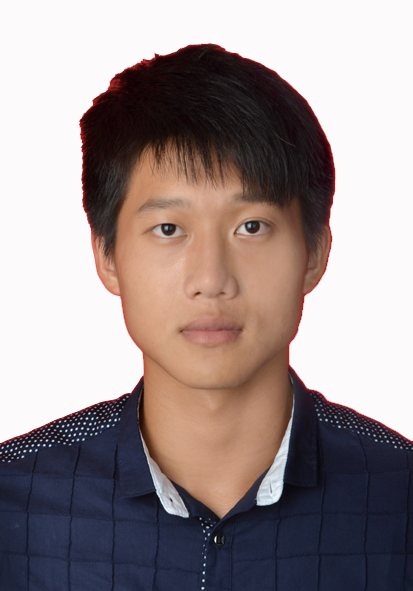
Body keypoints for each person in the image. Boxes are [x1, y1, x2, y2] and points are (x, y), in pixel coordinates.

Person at [0, 44, 411, 591]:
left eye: (252, 227)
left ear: (314, 252)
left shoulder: (401, 494)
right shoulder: (14, 502)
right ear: (107, 256)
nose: (212, 279)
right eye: (169, 229)